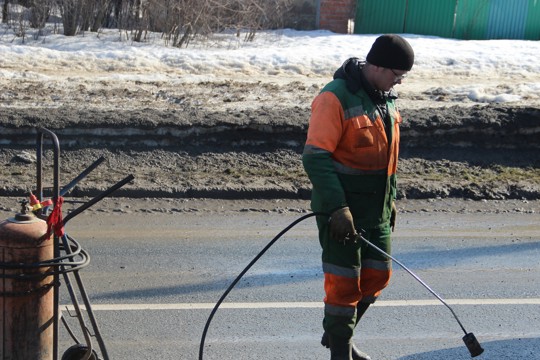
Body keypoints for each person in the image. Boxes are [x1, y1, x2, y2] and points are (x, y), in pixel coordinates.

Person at [302, 34, 414, 360]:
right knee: (344, 285)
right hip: (342, 212)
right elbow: (315, 157)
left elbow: (387, 162)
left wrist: (390, 201)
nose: (399, 81)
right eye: (396, 74)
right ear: (376, 66)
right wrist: (338, 207)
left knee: (378, 274)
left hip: (375, 211)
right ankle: (340, 351)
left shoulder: (385, 100)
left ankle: (341, 336)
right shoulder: (334, 98)